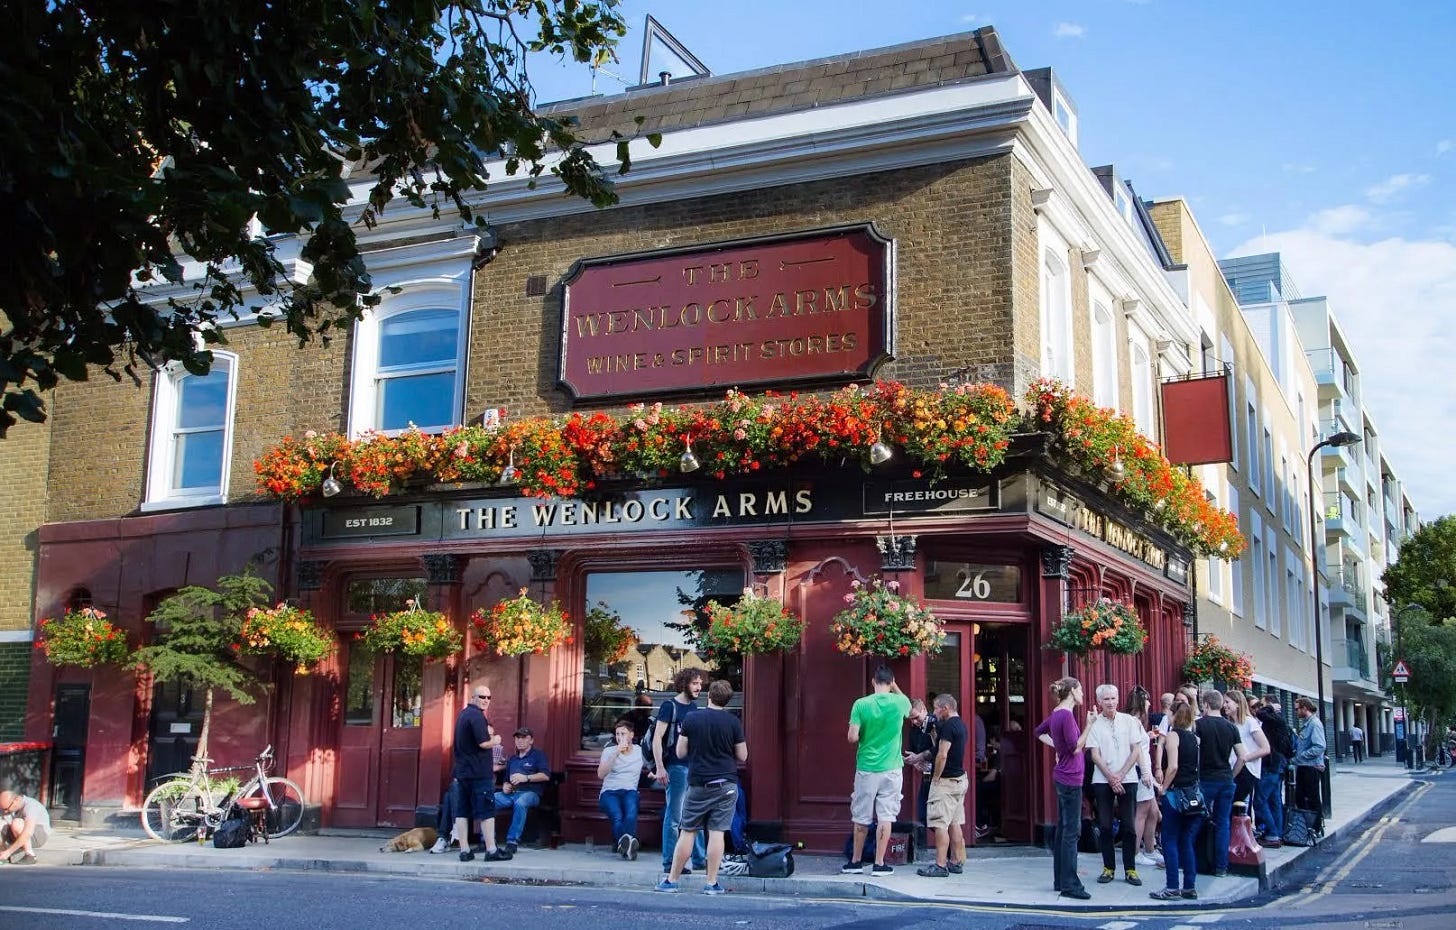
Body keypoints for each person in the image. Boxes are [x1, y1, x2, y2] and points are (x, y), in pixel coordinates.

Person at [655, 679, 747, 896]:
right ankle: (711, 883)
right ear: (727, 700)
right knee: (717, 833)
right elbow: (743, 755)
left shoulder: (692, 718)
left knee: (688, 831)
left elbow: (680, 752)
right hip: (726, 784)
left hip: (699, 783)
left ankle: (672, 880)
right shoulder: (733, 722)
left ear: (709, 696)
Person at [844, 665, 911, 875]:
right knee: (886, 816)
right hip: (892, 768)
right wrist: (895, 687)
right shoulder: (900, 702)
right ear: (891, 683)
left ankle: (855, 862)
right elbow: (909, 707)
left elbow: (852, 737)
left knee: (861, 816)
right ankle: (879, 863)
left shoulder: (861, 704)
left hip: (867, 767)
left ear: (873, 682)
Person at [1084, 684, 1151, 887]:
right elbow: (1094, 754)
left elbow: (1136, 750)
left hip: (1127, 778)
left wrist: (1121, 775)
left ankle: (1130, 869)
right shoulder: (1095, 724)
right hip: (1102, 779)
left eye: (1113, 698)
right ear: (1099, 702)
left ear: (1118, 699)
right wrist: (1111, 777)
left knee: (1129, 826)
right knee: (1105, 825)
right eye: (1106, 699)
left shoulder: (1129, 721)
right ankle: (1108, 867)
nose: (1110, 702)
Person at [1034, 676, 1092, 900]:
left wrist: (1057, 747)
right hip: (1070, 778)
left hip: (1063, 777)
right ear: (1073, 691)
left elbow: (1038, 732)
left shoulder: (1056, 713)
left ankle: (1060, 880)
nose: (1083, 694)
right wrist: (1089, 725)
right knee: (1071, 831)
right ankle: (1070, 884)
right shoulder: (1066, 716)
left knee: (1063, 829)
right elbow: (1076, 748)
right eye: (1081, 690)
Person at [654, 668, 707, 876]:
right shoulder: (670, 706)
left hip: (693, 767)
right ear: (684, 684)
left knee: (696, 814)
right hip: (675, 768)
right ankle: (669, 862)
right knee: (674, 816)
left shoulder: (694, 708)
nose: (699, 687)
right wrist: (660, 767)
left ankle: (699, 859)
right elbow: (657, 738)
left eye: (700, 683)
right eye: (695, 683)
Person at [451, 685, 510, 862]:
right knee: (486, 811)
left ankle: (465, 851)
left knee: (462, 811)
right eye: (482, 697)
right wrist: (496, 740)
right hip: (478, 773)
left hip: (463, 773)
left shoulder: (463, 715)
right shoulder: (477, 716)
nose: (485, 700)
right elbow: (483, 743)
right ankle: (491, 850)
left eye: (488, 697)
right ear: (473, 697)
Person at [1149, 700, 1201, 900]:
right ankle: (1189, 886)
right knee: (1186, 841)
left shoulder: (1173, 736)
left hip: (1175, 794)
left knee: (1169, 840)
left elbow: (1173, 767)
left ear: (1173, 715)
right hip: (1192, 795)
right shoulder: (1194, 738)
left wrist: (1163, 788)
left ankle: (1172, 886)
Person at [1195, 689, 1246, 878]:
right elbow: (1242, 757)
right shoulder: (1231, 727)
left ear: (1206, 704)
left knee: (1196, 819)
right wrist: (1232, 776)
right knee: (1223, 822)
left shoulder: (1198, 725)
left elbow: (1194, 750)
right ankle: (1221, 867)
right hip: (1225, 780)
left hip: (1205, 779)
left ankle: (1194, 860)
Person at [917, 693, 969, 878]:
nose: (935, 712)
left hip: (945, 782)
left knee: (940, 824)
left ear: (946, 708)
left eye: (937, 708)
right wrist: (920, 756)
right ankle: (955, 862)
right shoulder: (960, 724)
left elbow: (942, 754)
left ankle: (940, 865)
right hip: (959, 779)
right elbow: (937, 750)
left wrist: (936, 778)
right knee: (955, 822)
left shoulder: (948, 726)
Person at [494, 727, 550, 855]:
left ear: (531, 740)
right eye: (517, 738)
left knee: (521, 802)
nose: (520, 740)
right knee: (490, 799)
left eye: (524, 738)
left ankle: (512, 842)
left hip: (531, 794)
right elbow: (506, 780)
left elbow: (545, 775)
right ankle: (487, 840)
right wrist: (505, 786)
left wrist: (526, 777)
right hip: (511, 793)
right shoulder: (513, 759)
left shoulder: (538, 755)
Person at [1125, 687, 1161, 869]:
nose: (1149, 703)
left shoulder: (1132, 722)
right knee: (1142, 812)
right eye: (1146, 700)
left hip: (1142, 771)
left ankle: (1150, 849)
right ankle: (1135, 853)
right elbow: (1137, 750)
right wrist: (1146, 773)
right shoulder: (1135, 722)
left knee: (1153, 811)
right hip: (1140, 772)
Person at [597, 719, 643, 860]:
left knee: (630, 815)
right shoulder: (609, 751)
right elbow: (601, 774)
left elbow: (652, 765)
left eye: (623, 734)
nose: (619, 737)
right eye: (617, 734)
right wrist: (616, 753)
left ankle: (624, 846)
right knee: (617, 816)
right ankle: (629, 846)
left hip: (630, 791)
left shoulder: (639, 751)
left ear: (631, 735)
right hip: (609, 792)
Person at [1223, 691, 1269, 826]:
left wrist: (1244, 758)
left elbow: (1265, 748)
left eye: (1227, 702)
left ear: (1238, 704)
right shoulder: (1231, 724)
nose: (1224, 705)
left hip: (1246, 770)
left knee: (1234, 803)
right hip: (1233, 767)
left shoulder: (1250, 722)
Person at [902, 698, 938, 837]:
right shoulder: (914, 730)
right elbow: (913, 753)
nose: (914, 722)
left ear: (924, 709)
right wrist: (915, 762)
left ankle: (952, 846)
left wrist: (920, 758)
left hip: (941, 776)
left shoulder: (936, 724)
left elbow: (942, 750)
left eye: (916, 717)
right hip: (926, 776)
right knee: (924, 816)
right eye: (911, 719)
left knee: (940, 818)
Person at [1292, 697, 1327, 831]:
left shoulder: (1314, 724)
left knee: (1312, 798)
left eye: (1297, 709)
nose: (1296, 712)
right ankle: (1309, 826)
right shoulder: (1308, 724)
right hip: (1304, 765)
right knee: (1301, 797)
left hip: (1310, 767)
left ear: (1304, 708)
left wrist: (1301, 756)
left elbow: (1319, 746)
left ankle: (1315, 827)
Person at [0, 789, 50, 864]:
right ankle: (2, 854)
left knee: (17, 823)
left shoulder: (31, 806)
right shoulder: (8, 806)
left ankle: (30, 855)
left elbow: (28, 832)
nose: (5, 811)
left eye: (6, 809)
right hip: (17, 832)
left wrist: (9, 852)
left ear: (16, 800)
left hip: (38, 836)